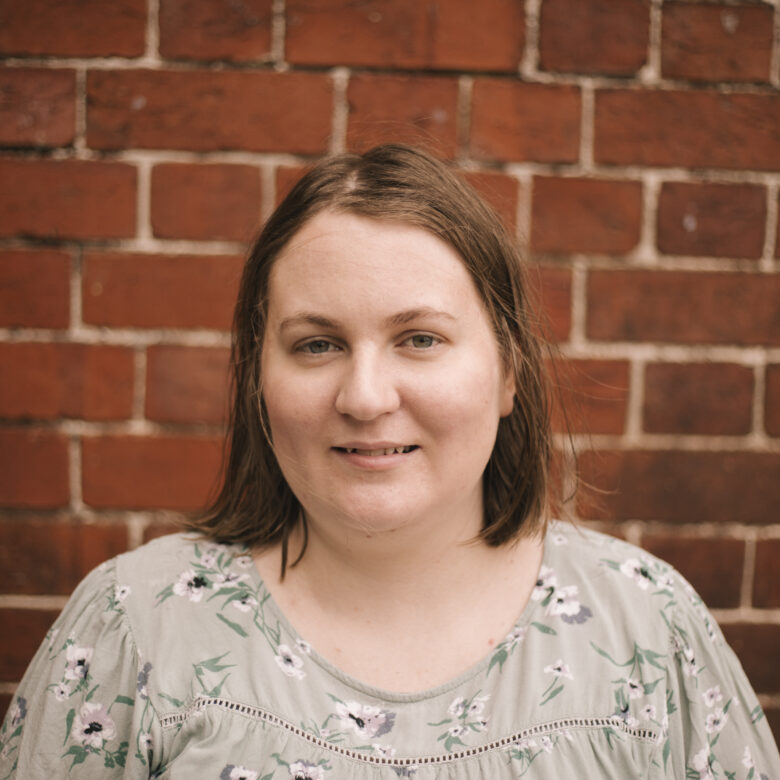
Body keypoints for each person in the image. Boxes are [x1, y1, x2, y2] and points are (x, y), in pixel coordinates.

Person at [1, 145, 777, 779]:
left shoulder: (647, 628)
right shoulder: (135, 627)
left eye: (420, 339)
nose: (366, 396)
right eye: (318, 344)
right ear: (256, 376)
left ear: (509, 371)